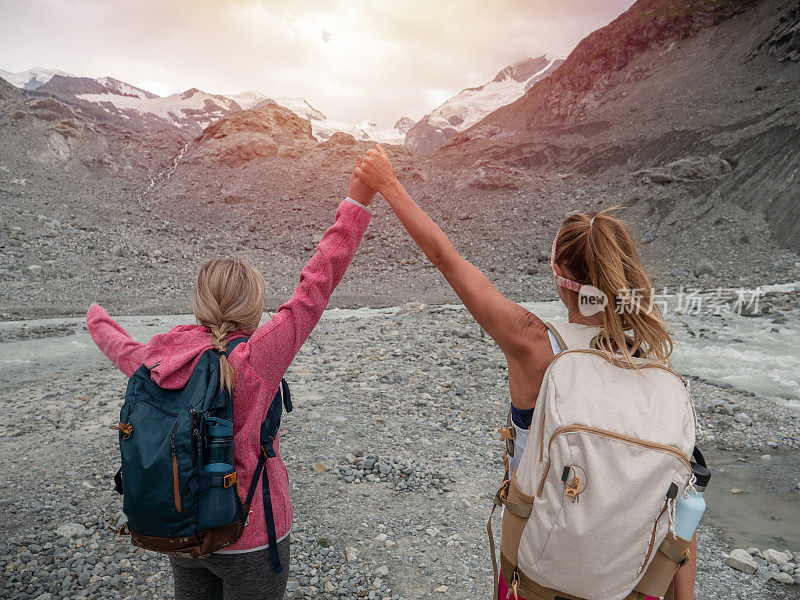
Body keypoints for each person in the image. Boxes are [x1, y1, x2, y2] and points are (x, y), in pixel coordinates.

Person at [355, 145, 697, 600]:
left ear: (558, 274)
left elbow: (446, 259)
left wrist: (389, 184)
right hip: (629, 582)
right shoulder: (656, 367)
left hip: (538, 572)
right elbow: (685, 511)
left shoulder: (534, 343)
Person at [86, 159, 375, 600]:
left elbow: (120, 348)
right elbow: (314, 288)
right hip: (252, 534)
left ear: (200, 303)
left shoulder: (162, 356)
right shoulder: (258, 358)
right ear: (254, 308)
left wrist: (95, 316)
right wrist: (357, 201)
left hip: (181, 528)